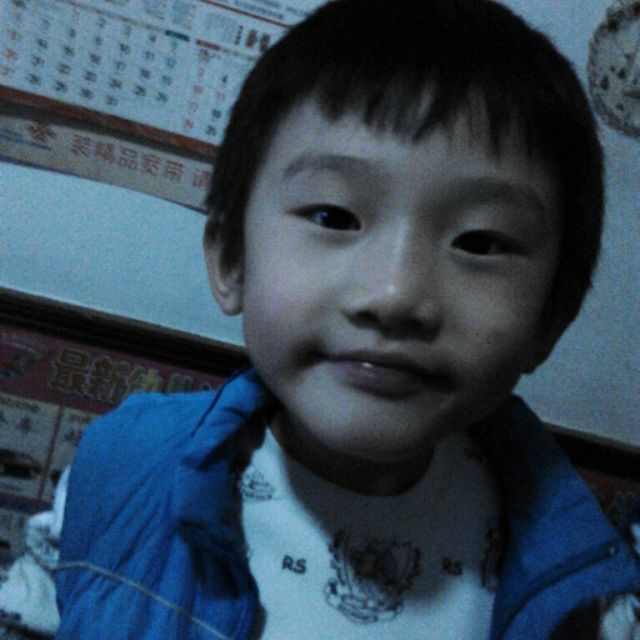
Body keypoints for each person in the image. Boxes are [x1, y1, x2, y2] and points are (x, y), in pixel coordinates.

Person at [54, 0, 640, 638]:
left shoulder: (586, 594)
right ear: (231, 260)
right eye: (335, 217)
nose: (394, 295)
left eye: (478, 242)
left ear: (552, 317)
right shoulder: (123, 472)